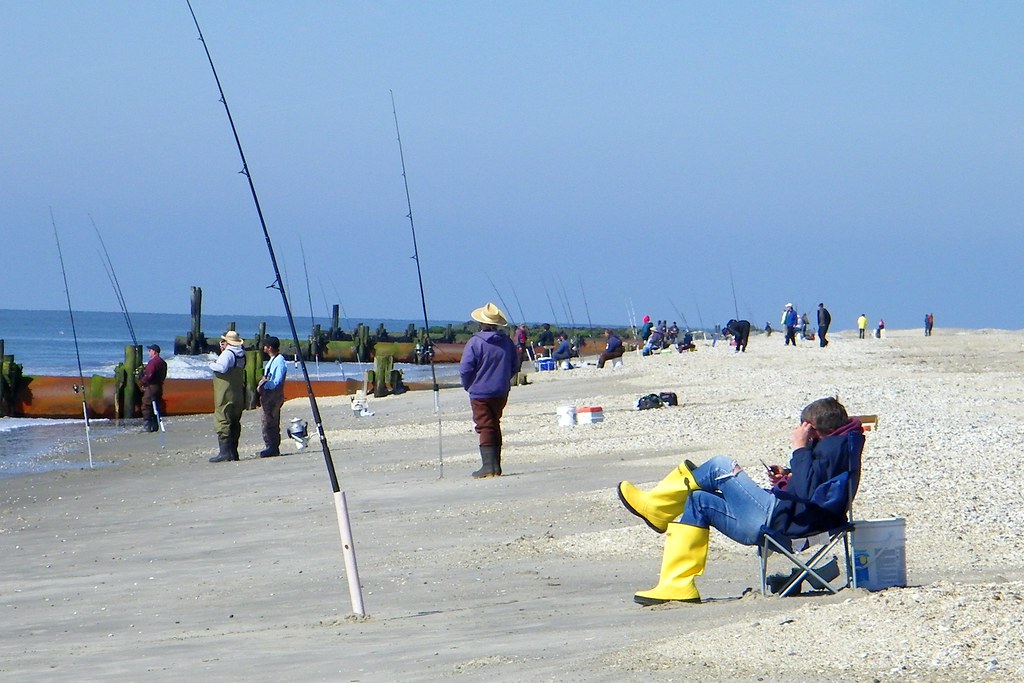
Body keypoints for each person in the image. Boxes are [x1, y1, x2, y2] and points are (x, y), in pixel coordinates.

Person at [616, 397, 864, 605]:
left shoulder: (832, 448)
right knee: (699, 500)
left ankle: (658, 507)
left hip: (782, 522)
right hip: (789, 519)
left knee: (721, 466)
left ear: (810, 427)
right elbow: (813, 485)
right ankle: (677, 585)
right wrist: (787, 474)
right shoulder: (841, 444)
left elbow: (804, 492)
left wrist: (800, 448)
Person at [459, 302, 520, 478]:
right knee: (494, 424)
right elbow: (514, 365)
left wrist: (468, 385)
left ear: (480, 323)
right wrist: (502, 379)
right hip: (501, 391)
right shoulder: (507, 342)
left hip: (480, 392)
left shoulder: (475, 342)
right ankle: (495, 466)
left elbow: (465, 369)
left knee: (485, 426)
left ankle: (489, 467)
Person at [209, 330, 247, 463]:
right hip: (237, 391)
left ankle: (224, 453)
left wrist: (211, 363)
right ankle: (233, 452)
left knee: (223, 419)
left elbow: (223, 368)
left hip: (225, 392)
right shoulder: (241, 354)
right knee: (235, 421)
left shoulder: (227, 354)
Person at [256, 335, 287, 458]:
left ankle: (272, 446)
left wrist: (265, 385)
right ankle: (271, 446)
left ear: (269, 347)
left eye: (265, 346)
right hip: (269, 395)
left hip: (273, 395)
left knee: (269, 421)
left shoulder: (279, 361)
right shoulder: (274, 360)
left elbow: (277, 380)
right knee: (268, 420)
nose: (263, 348)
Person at [138, 343, 167, 433]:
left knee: (146, 405)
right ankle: (155, 426)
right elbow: (163, 375)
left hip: (151, 387)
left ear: (154, 352)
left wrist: (142, 381)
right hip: (159, 386)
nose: (149, 352)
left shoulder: (153, 362)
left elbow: (149, 375)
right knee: (156, 406)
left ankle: (147, 426)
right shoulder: (163, 362)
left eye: (150, 351)